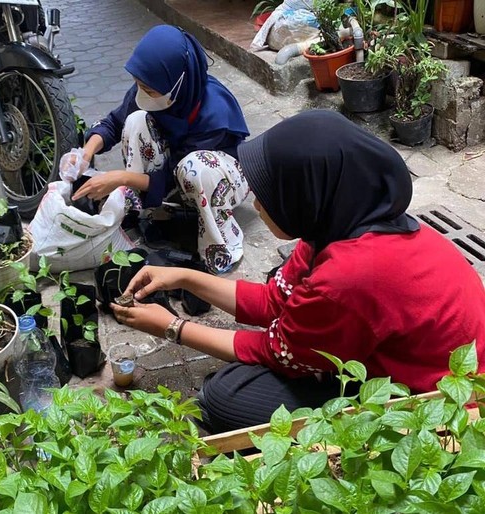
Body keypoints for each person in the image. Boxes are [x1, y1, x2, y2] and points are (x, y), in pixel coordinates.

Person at [110, 110, 485, 433]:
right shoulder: (337, 225)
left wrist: (170, 327)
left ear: (306, 194)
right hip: (386, 353)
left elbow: (276, 351)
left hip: (442, 400)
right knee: (233, 381)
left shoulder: (349, 276)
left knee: (223, 399)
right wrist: (182, 277)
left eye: (269, 193)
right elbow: (274, 302)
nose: (256, 204)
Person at [68, 25, 250, 275]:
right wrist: (85, 153)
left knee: (195, 169)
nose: (142, 93)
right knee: (135, 120)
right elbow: (114, 122)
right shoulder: (151, 88)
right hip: (175, 171)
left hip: (218, 180)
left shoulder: (214, 109)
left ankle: (218, 247)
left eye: (149, 90)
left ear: (177, 82)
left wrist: (119, 179)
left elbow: (170, 178)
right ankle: (152, 213)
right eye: (138, 85)